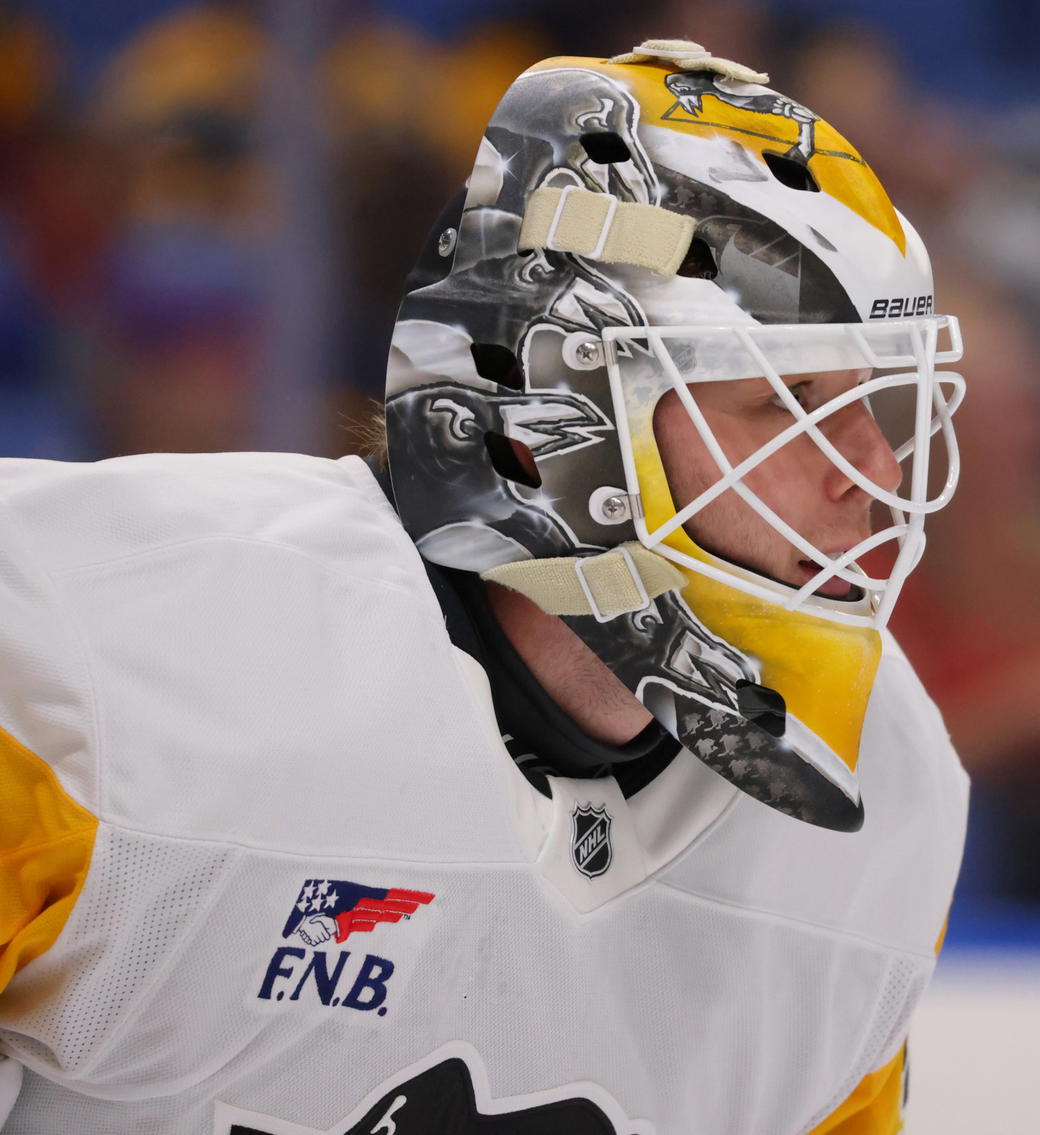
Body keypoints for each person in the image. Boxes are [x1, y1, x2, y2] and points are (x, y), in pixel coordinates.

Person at [0, 41, 968, 1133]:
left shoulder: (885, 799)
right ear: (555, 405)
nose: (875, 473)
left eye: (880, 402)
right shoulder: (100, 654)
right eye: (790, 396)